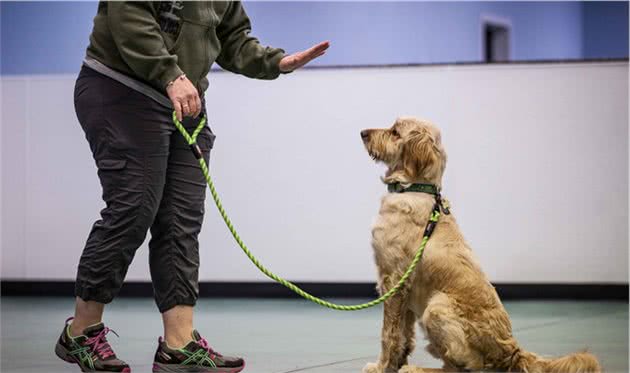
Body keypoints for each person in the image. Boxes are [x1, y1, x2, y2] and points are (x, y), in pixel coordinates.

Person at [54, 2, 329, 372]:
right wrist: (169, 73)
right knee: (134, 208)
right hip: (121, 90)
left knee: (180, 221)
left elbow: (232, 38)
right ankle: (81, 333)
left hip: (182, 103)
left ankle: (178, 346)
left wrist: (274, 62)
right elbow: (129, 17)